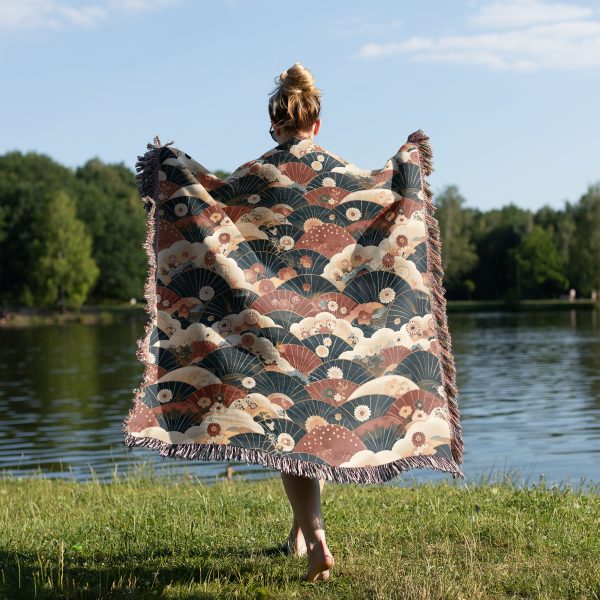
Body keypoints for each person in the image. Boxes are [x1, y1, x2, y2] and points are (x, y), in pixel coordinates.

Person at [267, 62, 334, 583]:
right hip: (330, 325)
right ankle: (297, 534)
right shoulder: (339, 175)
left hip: (275, 323)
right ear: (317, 122)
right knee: (313, 428)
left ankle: (316, 541)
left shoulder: (258, 174)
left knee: (289, 437)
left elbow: (210, 213)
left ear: (275, 125)